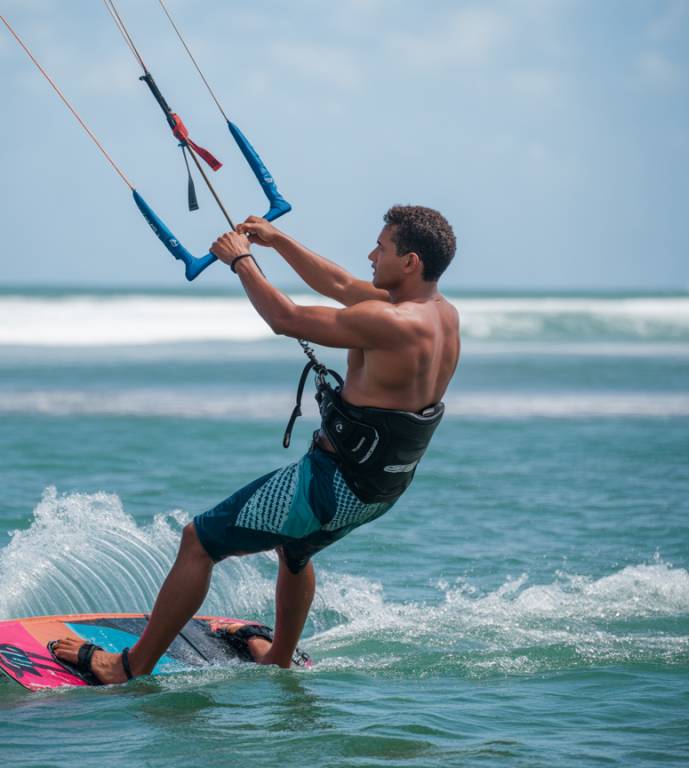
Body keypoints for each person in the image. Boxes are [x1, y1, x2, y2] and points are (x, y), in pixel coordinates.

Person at [52, 205, 460, 683]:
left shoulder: (392, 322)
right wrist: (276, 239)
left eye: (381, 247)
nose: (371, 255)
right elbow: (341, 284)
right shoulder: (441, 315)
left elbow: (286, 318)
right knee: (294, 549)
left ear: (410, 262)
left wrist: (240, 259)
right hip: (380, 489)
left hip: (333, 484)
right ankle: (279, 657)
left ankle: (129, 666)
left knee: (199, 541)